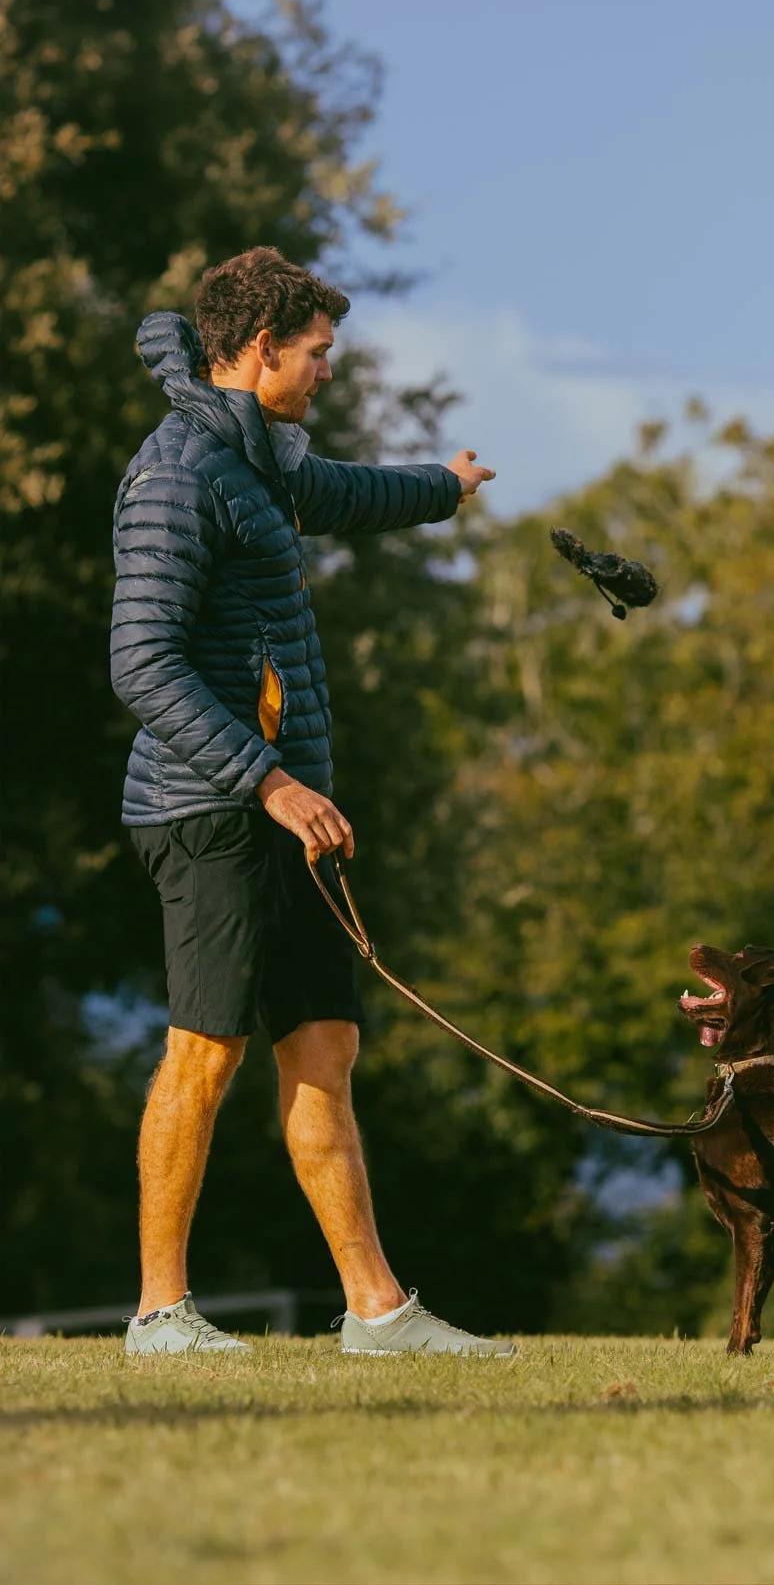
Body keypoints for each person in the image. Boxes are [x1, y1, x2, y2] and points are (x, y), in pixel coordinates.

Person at [111, 246, 512, 1356]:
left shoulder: (256, 455)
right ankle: (159, 1311)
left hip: (282, 809)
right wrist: (271, 781)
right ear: (256, 351)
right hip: (210, 811)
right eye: (319, 354)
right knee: (206, 1051)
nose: (329, 371)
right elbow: (139, 663)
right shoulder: (180, 470)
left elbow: (336, 490)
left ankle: (379, 1312)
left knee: (323, 1047)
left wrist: (443, 487)